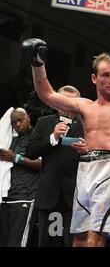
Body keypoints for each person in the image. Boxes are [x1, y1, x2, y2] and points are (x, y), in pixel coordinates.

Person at [25, 0, 110, 247]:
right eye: (106, 75)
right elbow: (47, 94)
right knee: (77, 239)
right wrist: (38, 64)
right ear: (94, 78)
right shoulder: (84, 106)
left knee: (94, 239)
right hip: (85, 169)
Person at [26, 85, 84, 247]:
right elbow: (30, 151)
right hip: (49, 194)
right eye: (62, 101)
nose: (65, 105)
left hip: (73, 197)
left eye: (69, 101)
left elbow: (96, 157)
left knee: (67, 243)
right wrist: (53, 137)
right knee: (46, 242)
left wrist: (87, 151)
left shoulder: (87, 127)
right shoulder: (44, 123)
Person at [0, 108, 42, 247]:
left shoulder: (37, 136)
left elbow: (41, 164)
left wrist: (15, 157)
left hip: (26, 196)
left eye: (20, 120)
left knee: (18, 243)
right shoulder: (9, 140)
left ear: (28, 118)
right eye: (14, 122)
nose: (18, 124)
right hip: (7, 197)